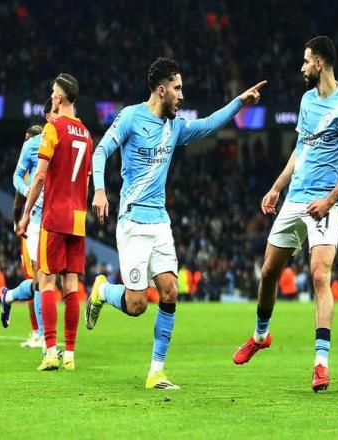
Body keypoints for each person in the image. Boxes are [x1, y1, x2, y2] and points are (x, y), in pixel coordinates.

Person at [87, 57, 265, 390]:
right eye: (178, 88)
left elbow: (209, 125)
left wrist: (239, 103)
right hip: (133, 221)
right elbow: (100, 152)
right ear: (161, 89)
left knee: (170, 290)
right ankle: (102, 290)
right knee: (137, 305)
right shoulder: (130, 117)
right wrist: (99, 190)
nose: (182, 95)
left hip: (160, 223)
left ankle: (156, 372)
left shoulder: (175, 127)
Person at [232, 36, 338, 393]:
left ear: (319, 64)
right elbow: (300, 150)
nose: (301, 67)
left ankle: (321, 364)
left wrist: (330, 201)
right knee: (268, 271)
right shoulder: (306, 101)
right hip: (295, 198)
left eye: (306, 61)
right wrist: (276, 187)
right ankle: (260, 336)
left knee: (320, 275)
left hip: (325, 203)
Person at [18, 73, 93, 371]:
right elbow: (86, 181)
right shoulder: (86, 134)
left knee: (46, 281)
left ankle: (50, 352)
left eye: (52, 92)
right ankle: (70, 355)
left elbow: (39, 176)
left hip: (54, 214)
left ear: (60, 98)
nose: (51, 96)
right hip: (78, 217)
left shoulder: (53, 128)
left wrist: (26, 213)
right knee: (72, 285)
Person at [0, 99, 56, 352]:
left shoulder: (48, 149)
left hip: (47, 219)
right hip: (30, 223)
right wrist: (17, 222)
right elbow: (17, 199)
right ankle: (39, 334)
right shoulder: (31, 158)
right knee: (37, 279)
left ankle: (10, 296)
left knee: (42, 279)